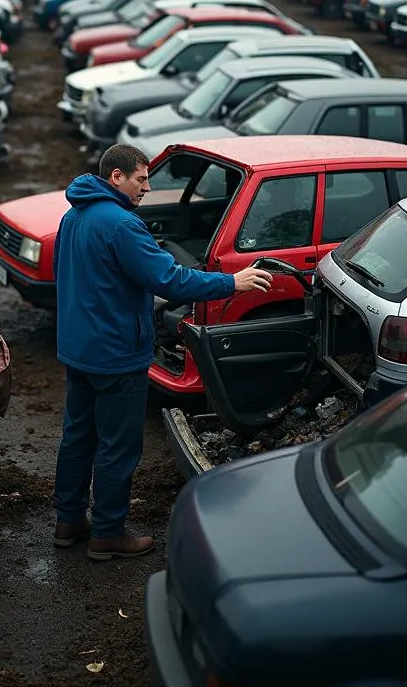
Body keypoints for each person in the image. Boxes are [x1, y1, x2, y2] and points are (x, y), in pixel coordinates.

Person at [52, 143, 274, 560]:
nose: (147, 188)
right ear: (116, 177)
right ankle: (108, 534)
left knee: (78, 437)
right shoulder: (122, 225)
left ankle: (68, 522)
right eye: (141, 178)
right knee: (118, 445)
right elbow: (168, 280)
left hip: (78, 350)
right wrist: (231, 283)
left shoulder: (72, 216)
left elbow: (64, 274)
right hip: (116, 354)